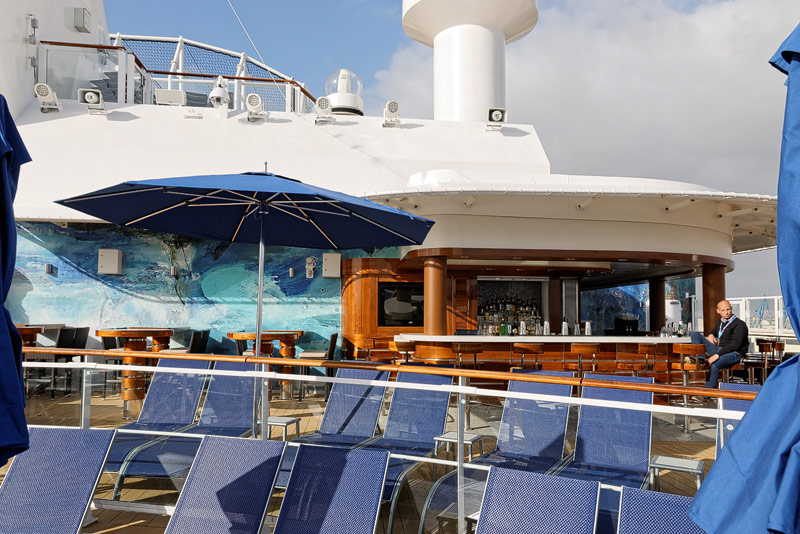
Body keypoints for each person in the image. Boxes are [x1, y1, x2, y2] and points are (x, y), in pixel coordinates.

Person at [690, 299, 750, 389]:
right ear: (718, 311)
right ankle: (700, 359)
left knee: (715, 364)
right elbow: (714, 332)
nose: (726, 312)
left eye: (728, 309)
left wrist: (717, 355)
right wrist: (711, 335)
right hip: (721, 350)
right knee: (695, 334)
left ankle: (708, 392)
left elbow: (735, 345)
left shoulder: (740, 325)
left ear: (731, 309)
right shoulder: (721, 322)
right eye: (723, 310)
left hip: (735, 353)